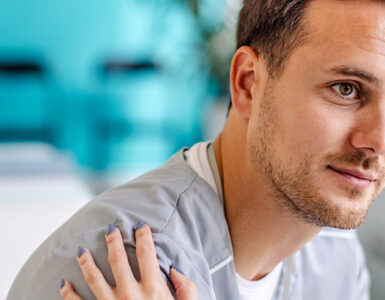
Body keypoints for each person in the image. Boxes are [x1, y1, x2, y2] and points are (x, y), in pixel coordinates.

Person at [8, 0, 385, 299]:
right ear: (248, 84)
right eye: (346, 89)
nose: (379, 142)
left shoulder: (335, 259)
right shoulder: (121, 270)